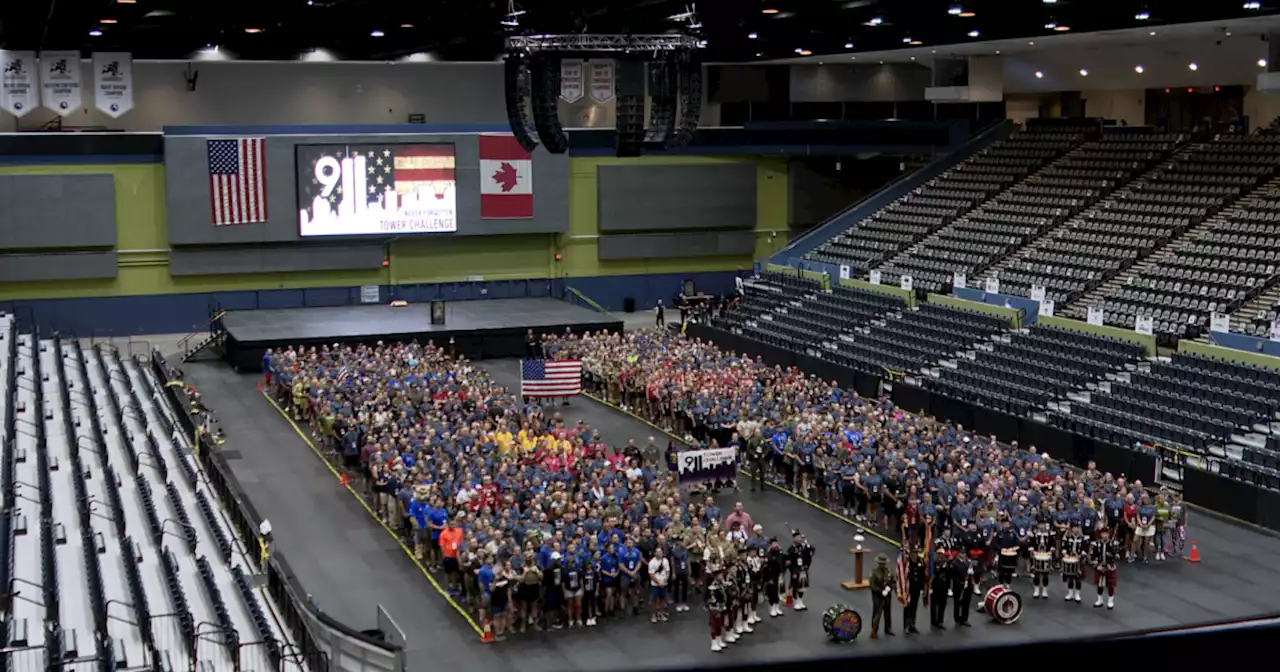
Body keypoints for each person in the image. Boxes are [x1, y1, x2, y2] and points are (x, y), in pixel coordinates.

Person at [1090, 526, 1121, 610]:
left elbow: (1117, 556)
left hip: (1110, 567)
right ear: (1100, 534)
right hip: (1099, 566)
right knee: (1099, 584)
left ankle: (1110, 601)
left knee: (1110, 585)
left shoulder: (1113, 544)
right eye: (1103, 533)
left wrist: (1115, 554)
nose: (1105, 535)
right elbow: (1092, 557)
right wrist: (1097, 566)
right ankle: (1099, 600)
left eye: (1106, 533)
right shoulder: (1096, 544)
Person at [868, 553, 896, 639]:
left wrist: (889, 589)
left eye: (884, 563)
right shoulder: (874, 572)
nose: (882, 565)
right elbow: (872, 585)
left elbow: (893, 581)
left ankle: (888, 629)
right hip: (878, 596)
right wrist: (881, 591)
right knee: (877, 614)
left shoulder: (890, 571)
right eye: (881, 563)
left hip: (887, 595)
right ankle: (874, 630)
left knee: (887, 613)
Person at [785, 529, 814, 611]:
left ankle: (800, 600)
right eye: (797, 537)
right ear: (794, 538)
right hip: (795, 570)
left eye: (800, 537)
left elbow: (810, 555)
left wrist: (806, 566)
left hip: (803, 569)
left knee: (803, 586)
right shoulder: (791, 549)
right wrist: (792, 571)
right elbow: (789, 562)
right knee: (796, 586)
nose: (799, 538)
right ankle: (795, 601)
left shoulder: (804, 547)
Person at [902, 543, 926, 634]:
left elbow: (923, 575)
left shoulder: (921, 561)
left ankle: (912, 624)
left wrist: (923, 588)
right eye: (914, 552)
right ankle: (906, 625)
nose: (915, 554)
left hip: (916, 588)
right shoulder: (907, 562)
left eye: (917, 552)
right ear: (911, 553)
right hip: (909, 588)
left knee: (914, 606)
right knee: (907, 607)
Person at [1061, 522, 1086, 603]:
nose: (1076, 529)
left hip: (1079, 560)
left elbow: (1085, 549)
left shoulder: (1083, 538)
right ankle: (1070, 593)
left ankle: (1077, 594)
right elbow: (1064, 548)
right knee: (1070, 578)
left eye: (1077, 528)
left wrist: (1081, 555)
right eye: (1074, 528)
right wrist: (1066, 554)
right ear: (1071, 529)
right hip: (1070, 560)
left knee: (1078, 578)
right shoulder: (1068, 538)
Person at [1030, 519, 1055, 600]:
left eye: (1043, 524)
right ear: (1038, 525)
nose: (1042, 526)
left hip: (1046, 555)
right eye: (1040, 524)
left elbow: (1052, 544)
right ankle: (1036, 590)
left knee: (1045, 574)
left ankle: (1045, 590)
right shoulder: (1034, 534)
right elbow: (1031, 544)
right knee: (1036, 574)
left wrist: (1051, 550)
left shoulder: (1049, 534)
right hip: (1037, 555)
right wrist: (1032, 550)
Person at [948, 549, 973, 627]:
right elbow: (953, 576)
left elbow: (972, 570)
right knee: (957, 603)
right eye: (962, 553)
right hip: (958, 585)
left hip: (967, 584)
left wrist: (971, 571)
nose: (963, 555)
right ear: (958, 554)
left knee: (966, 602)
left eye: (964, 553)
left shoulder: (968, 562)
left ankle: (965, 618)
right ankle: (957, 618)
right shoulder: (954, 563)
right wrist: (961, 583)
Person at [929, 544, 951, 630]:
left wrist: (949, 587)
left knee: (942, 605)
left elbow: (949, 575)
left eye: (942, 554)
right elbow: (935, 573)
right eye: (939, 554)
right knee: (934, 605)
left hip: (944, 587)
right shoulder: (935, 563)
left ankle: (940, 621)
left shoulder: (946, 563)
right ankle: (934, 620)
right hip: (935, 586)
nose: (941, 556)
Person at [648, 545, 671, 624]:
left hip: (664, 583)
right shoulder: (652, 562)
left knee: (663, 599)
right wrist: (658, 582)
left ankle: (661, 613)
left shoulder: (665, 561)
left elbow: (668, 572)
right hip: (655, 584)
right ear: (655, 553)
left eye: (661, 552)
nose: (659, 553)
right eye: (658, 552)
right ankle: (654, 614)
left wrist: (664, 581)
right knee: (655, 600)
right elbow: (651, 574)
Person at [708, 567, 729, 652]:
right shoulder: (714, 586)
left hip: (721, 607)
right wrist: (718, 607)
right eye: (720, 575)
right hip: (715, 608)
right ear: (716, 576)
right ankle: (714, 643)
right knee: (714, 626)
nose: (721, 576)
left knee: (720, 625)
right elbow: (713, 599)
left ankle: (719, 640)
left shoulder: (721, 584)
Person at [763, 537, 786, 618]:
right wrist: (768, 579)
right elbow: (765, 569)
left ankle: (777, 607)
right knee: (772, 593)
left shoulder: (780, 554)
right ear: (770, 545)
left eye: (777, 543)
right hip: (771, 578)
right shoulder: (768, 555)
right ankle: (772, 608)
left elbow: (784, 563)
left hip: (780, 576)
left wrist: (783, 572)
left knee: (779, 592)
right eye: (774, 543)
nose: (776, 545)